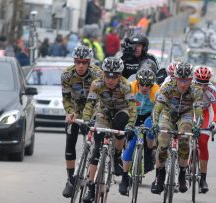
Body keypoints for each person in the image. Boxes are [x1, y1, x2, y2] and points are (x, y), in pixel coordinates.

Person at [81, 57, 137, 202]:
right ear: (103, 73)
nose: (110, 80)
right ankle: (91, 187)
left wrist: (130, 125)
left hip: (121, 111)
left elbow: (132, 109)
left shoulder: (126, 86)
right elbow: (90, 104)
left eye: (115, 76)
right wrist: (86, 120)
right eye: (107, 76)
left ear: (120, 75)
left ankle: (117, 155)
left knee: (120, 123)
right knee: (96, 150)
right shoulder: (97, 84)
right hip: (104, 112)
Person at [151, 61, 203, 194]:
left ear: (191, 79)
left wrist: (197, 126)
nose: (183, 84)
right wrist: (155, 123)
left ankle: (182, 174)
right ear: (176, 78)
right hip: (168, 113)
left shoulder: (196, 90)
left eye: (186, 80)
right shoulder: (167, 87)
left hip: (185, 115)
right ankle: (160, 175)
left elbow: (198, 110)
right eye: (180, 80)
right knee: (162, 141)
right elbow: (157, 108)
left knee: (185, 138)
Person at [61, 45, 102, 198]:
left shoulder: (98, 74)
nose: (80, 65)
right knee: (70, 137)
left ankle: (93, 179)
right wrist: (70, 112)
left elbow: (101, 98)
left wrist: (95, 116)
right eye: (78, 62)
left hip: (94, 107)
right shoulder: (67, 75)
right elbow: (66, 98)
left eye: (84, 62)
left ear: (89, 62)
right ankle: (70, 179)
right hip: (77, 107)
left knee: (96, 139)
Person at [118, 65, 160, 196]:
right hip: (134, 115)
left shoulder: (156, 91)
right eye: (142, 84)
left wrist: (155, 124)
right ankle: (124, 178)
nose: (145, 88)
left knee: (151, 129)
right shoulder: (131, 87)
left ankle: (149, 152)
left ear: (152, 85)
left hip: (149, 115)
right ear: (138, 82)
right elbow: (124, 105)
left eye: (148, 85)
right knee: (130, 146)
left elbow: (158, 110)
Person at [193, 66, 216, 193]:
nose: (202, 88)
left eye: (205, 84)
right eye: (199, 84)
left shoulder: (212, 90)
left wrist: (214, 122)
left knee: (203, 142)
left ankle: (203, 179)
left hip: (205, 114)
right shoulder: (190, 86)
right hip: (190, 112)